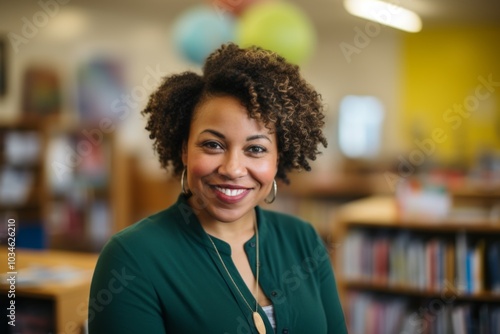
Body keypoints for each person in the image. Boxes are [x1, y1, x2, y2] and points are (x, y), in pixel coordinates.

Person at [88, 43, 347, 334]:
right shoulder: (132, 256)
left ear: (278, 159)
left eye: (256, 148)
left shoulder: (303, 239)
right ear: (185, 149)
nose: (233, 169)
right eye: (213, 145)